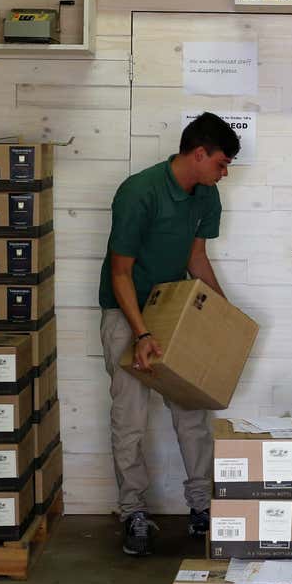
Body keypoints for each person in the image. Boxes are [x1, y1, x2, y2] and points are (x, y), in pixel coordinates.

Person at [98, 112, 239, 556]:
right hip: (127, 312)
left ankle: (201, 509)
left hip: (173, 306)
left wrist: (224, 316)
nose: (225, 171)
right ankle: (133, 512)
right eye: (221, 162)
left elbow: (196, 259)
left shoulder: (206, 196)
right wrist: (140, 335)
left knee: (192, 413)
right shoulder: (139, 193)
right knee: (131, 418)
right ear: (198, 154)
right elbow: (121, 273)